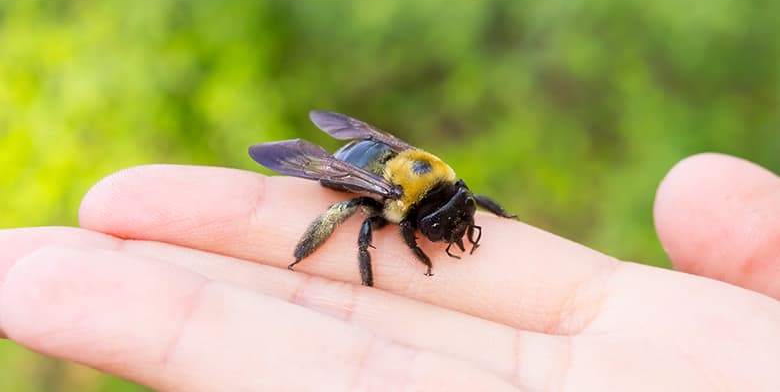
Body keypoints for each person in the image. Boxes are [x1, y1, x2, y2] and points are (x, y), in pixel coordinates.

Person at [0, 153, 778, 390]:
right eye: (446, 226)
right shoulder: (392, 206)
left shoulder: (445, 187)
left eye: (459, 217)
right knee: (345, 223)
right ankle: (311, 251)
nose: (452, 230)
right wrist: (387, 266)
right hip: (362, 173)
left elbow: (448, 199)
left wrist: (480, 218)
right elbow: (389, 227)